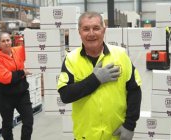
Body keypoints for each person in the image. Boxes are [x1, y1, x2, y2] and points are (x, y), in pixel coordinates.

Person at [57, 12, 142, 140]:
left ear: (104, 30)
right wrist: (95, 79)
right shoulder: (71, 59)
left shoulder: (120, 55)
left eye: (96, 28)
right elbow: (65, 95)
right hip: (85, 136)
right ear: (79, 32)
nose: (91, 33)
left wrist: (130, 125)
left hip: (115, 135)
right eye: (86, 29)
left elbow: (134, 90)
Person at [0, 32, 33, 140]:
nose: (6, 43)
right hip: (5, 96)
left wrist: (30, 36)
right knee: (7, 124)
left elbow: (31, 50)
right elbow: (5, 77)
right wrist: (22, 72)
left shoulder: (17, 51)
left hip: (22, 94)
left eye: (8, 40)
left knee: (28, 121)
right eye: (3, 41)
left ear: (11, 41)